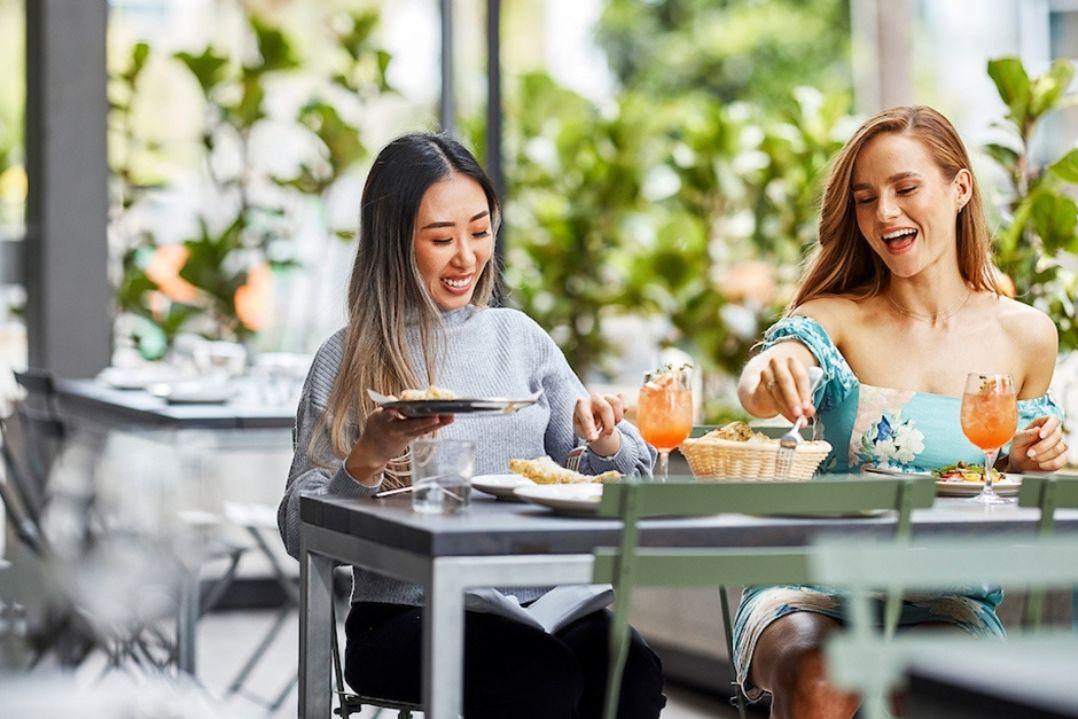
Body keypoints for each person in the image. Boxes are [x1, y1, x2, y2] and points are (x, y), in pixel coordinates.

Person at [278, 132, 665, 719]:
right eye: (441, 238)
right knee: (535, 678)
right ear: (393, 243)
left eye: (480, 232)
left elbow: (616, 472)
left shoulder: (521, 338)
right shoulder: (348, 359)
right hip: (408, 615)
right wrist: (368, 456)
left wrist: (604, 436)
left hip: (546, 604)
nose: (466, 257)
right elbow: (299, 531)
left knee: (631, 673)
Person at [733, 105, 1067, 719]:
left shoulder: (1026, 336)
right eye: (865, 199)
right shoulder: (840, 316)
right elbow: (767, 374)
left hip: (948, 595)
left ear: (960, 187)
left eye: (905, 188)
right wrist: (772, 369)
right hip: (813, 585)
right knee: (822, 677)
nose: (884, 213)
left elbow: (1016, 481)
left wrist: (1028, 461)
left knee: (933, 689)